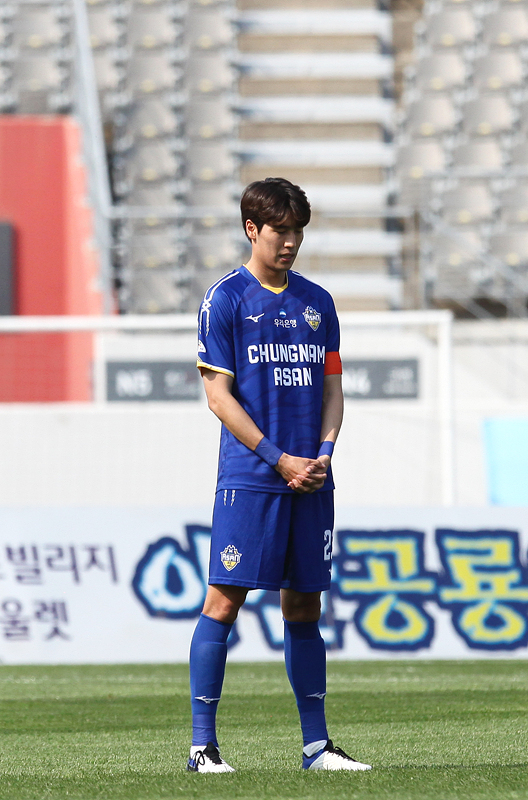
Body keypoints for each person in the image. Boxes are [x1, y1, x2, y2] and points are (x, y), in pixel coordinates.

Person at [188, 178, 371, 773]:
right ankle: (202, 748)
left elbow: (333, 390)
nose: (290, 242)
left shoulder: (318, 303)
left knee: (304, 608)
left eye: (298, 232)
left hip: (311, 478)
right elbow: (218, 397)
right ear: (252, 229)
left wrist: (324, 453)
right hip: (252, 476)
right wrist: (278, 456)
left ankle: (317, 748)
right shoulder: (225, 300)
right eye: (280, 230)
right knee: (223, 602)